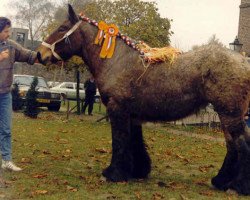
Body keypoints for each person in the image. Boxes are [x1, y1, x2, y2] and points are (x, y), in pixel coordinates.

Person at [0, 17, 38, 171]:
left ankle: (6, 160)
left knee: (6, 129)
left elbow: (28, 55)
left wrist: (46, 55)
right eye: (6, 32)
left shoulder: (11, 46)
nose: (8, 34)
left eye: (9, 31)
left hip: (4, 95)